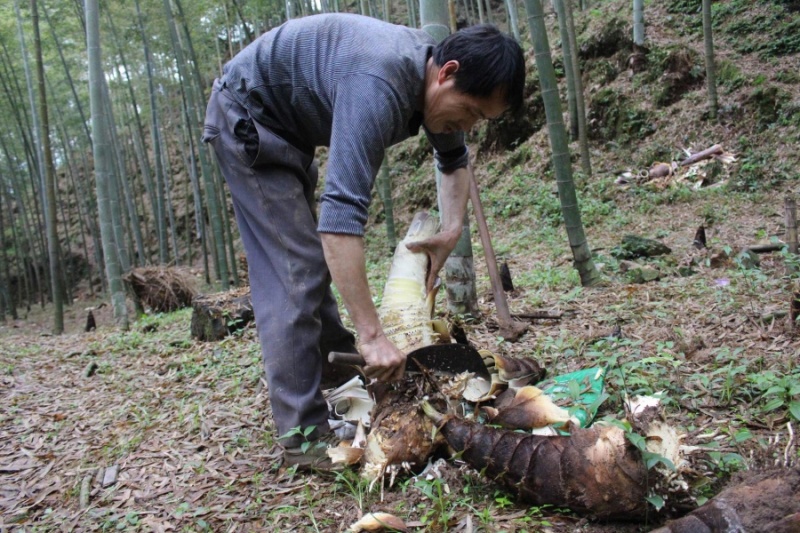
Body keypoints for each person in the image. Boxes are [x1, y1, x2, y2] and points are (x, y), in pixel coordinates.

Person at [202, 13, 525, 470]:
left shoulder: (432, 81)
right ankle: (304, 437)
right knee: (295, 272)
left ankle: (339, 381)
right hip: (249, 117)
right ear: (447, 73)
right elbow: (339, 225)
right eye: (471, 111)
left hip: (289, 127)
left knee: (305, 263)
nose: (469, 125)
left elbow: (454, 160)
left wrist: (451, 230)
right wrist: (372, 335)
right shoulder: (379, 84)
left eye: (480, 119)